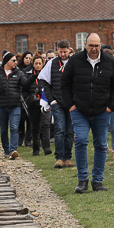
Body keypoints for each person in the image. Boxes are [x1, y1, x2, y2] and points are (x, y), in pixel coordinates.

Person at [61, 33, 114, 193]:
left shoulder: (110, 62)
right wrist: (70, 105)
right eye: (91, 46)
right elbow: (64, 84)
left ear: (101, 45)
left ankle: (97, 181)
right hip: (79, 109)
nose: (94, 49)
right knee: (81, 140)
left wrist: (111, 107)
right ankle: (82, 180)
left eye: (96, 46)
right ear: (85, 45)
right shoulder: (75, 61)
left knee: (101, 144)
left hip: (102, 110)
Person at [0, 51, 34, 159]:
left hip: (15, 105)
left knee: (14, 127)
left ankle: (13, 150)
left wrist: (33, 77)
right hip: (1, 105)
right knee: (3, 129)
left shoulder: (19, 73)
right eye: (13, 60)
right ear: (7, 61)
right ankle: (6, 150)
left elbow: (25, 84)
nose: (16, 62)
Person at [38, 40, 74, 169]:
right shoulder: (52, 63)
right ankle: (59, 157)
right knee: (60, 129)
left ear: (69, 50)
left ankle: (67, 157)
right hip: (57, 102)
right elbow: (44, 81)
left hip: (71, 102)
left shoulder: (74, 63)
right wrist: (51, 99)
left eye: (65, 52)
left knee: (69, 131)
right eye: (61, 51)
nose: (63, 54)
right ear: (57, 50)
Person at [29, 55, 53, 155]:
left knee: (46, 124)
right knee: (35, 126)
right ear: (33, 64)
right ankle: (36, 148)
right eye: (36, 63)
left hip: (45, 101)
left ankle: (46, 147)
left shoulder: (46, 74)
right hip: (33, 103)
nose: (38, 65)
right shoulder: (29, 74)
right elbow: (25, 86)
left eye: (40, 63)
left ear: (43, 64)